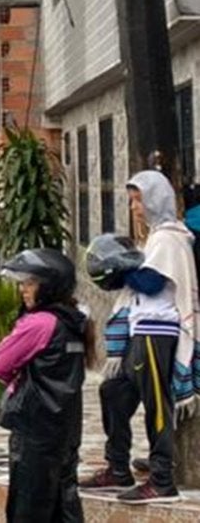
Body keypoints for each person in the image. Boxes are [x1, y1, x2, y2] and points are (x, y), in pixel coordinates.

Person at [80, 170, 200, 504]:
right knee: (113, 392)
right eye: (132, 199)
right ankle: (117, 467)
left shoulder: (169, 238)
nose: (134, 206)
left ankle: (162, 480)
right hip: (140, 330)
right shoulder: (154, 238)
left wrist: (121, 267)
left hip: (157, 333)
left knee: (157, 406)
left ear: (156, 199)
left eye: (138, 199)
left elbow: (152, 283)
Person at [0, 248, 92, 523]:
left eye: (30, 283)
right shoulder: (74, 319)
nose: (22, 289)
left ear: (48, 286)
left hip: (35, 427)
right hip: (65, 427)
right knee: (64, 502)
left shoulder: (38, 324)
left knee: (29, 506)